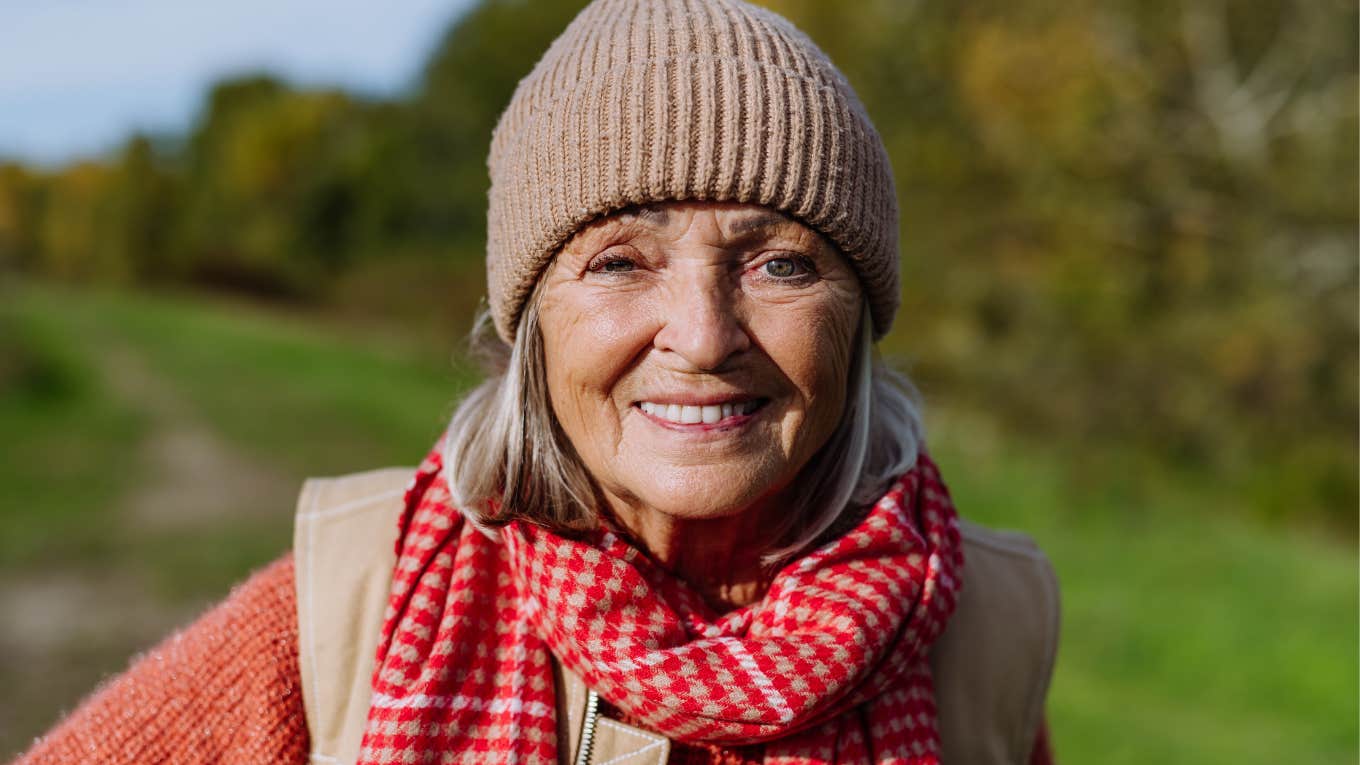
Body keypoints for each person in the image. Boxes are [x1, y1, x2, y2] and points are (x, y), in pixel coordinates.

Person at [14, 1, 1059, 763]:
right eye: (618, 261)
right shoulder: (350, 608)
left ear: (859, 316)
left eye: (780, 262)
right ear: (532, 324)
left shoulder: (982, 632)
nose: (700, 336)